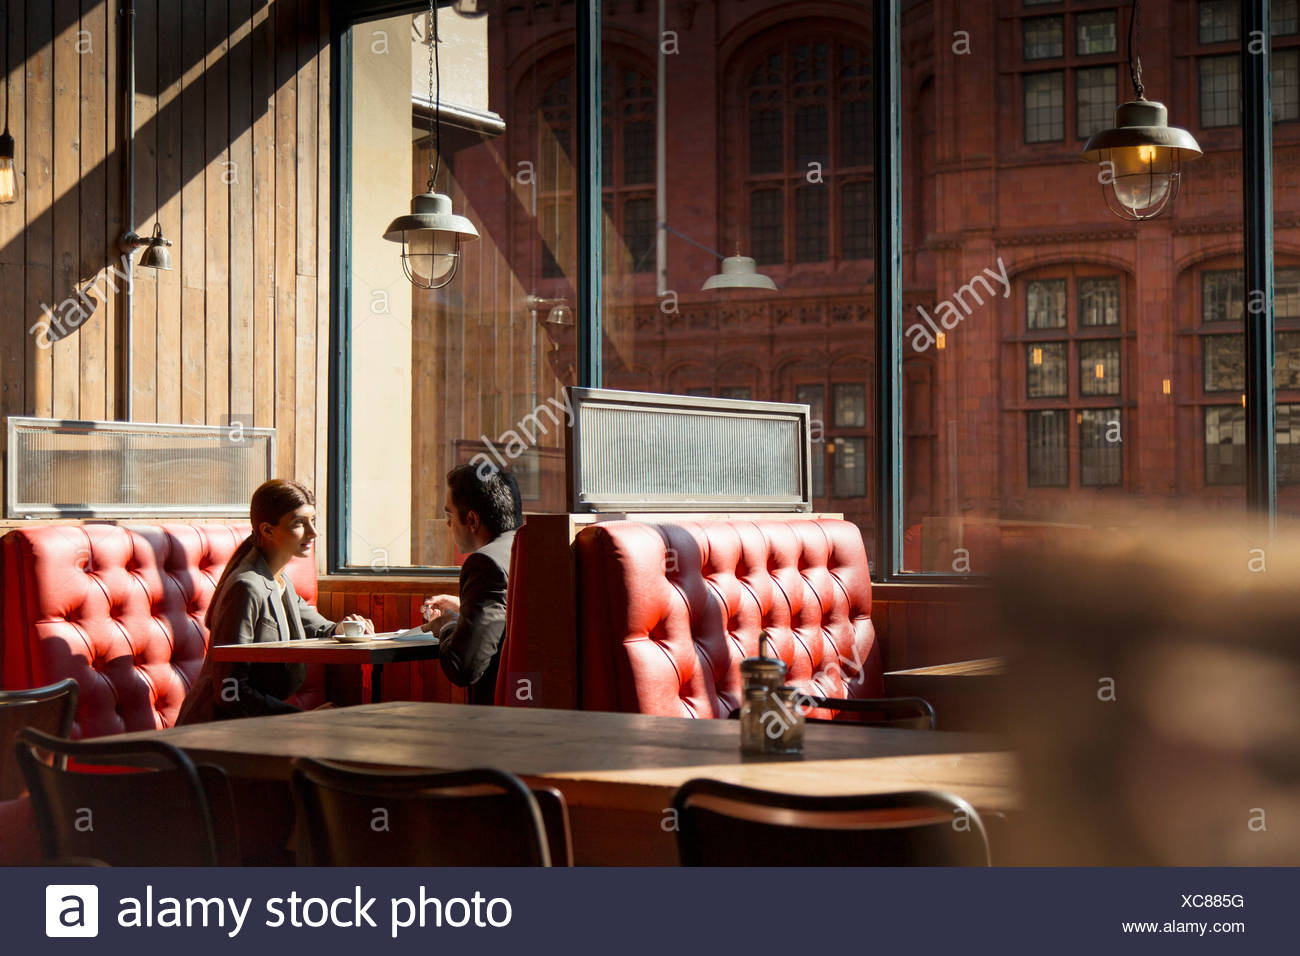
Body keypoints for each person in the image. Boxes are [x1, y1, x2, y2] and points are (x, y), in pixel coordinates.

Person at [178, 479, 373, 723]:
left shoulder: (280, 581)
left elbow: (321, 628)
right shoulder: (246, 587)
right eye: (299, 523)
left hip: (252, 728)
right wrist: (301, 719)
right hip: (214, 731)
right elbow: (230, 692)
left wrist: (344, 628)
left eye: (313, 521)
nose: (313, 533)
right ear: (267, 530)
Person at [421, 463, 520, 705]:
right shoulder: (522, 548)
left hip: (499, 721)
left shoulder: (485, 563)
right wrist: (465, 606)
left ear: (472, 520)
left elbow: (463, 667)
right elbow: (511, 616)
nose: (447, 524)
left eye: (449, 515)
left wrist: (446, 625)